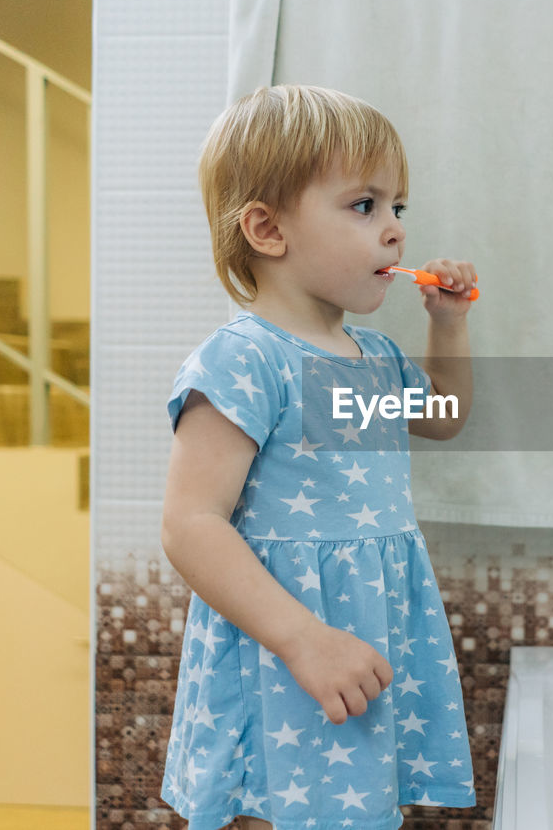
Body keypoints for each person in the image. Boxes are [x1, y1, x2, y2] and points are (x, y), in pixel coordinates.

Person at [159, 84, 478, 830]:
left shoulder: (373, 357)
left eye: (399, 207)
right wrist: (304, 639)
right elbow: (189, 524)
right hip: (284, 654)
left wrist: (449, 327)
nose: (395, 230)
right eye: (365, 206)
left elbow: (443, 416)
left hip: (356, 640)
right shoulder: (245, 361)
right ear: (268, 230)